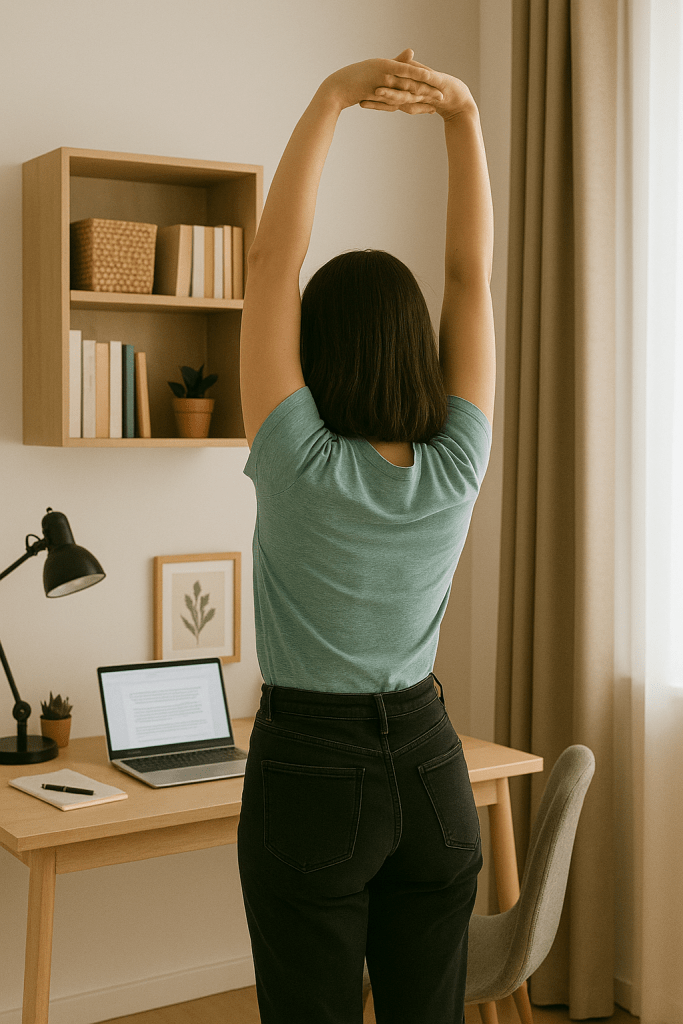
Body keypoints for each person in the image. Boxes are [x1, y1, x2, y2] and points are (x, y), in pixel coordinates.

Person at [237, 47, 495, 1024]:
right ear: (415, 345)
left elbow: (271, 261)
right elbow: (470, 279)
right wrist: (460, 117)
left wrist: (332, 95)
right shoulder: (455, 460)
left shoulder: (296, 456)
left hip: (311, 765)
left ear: (312, 351)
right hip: (432, 768)